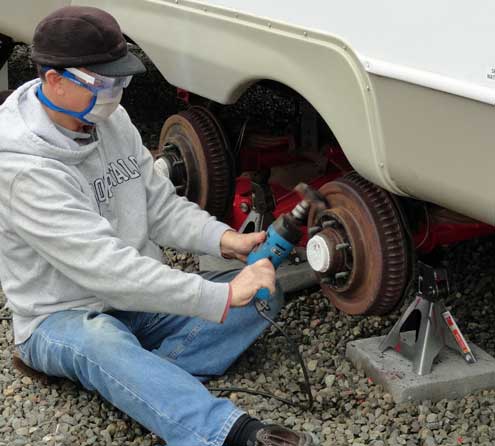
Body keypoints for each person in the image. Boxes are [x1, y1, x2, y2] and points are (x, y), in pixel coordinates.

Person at [0, 6, 315, 446]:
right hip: (62, 315)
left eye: (122, 80)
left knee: (263, 293)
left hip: (134, 299)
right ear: (54, 79)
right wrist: (220, 295)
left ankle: (139, 381)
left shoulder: (107, 118)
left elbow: (159, 206)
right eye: (104, 82)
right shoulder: (22, 170)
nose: (117, 94)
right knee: (103, 342)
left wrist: (224, 240)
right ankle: (225, 432)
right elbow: (108, 271)